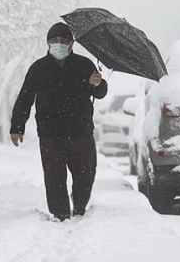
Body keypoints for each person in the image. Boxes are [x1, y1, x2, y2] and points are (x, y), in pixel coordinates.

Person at [10, 22, 107, 221]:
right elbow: (24, 99)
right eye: (54, 40)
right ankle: (60, 213)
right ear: (47, 42)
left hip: (81, 132)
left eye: (63, 40)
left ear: (71, 44)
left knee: (85, 175)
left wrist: (99, 83)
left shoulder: (85, 65)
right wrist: (17, 127)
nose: (58, 44)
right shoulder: (38, 68)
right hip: (50, 133)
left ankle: (80, 206)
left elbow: (99, 92)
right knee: (54, 176)